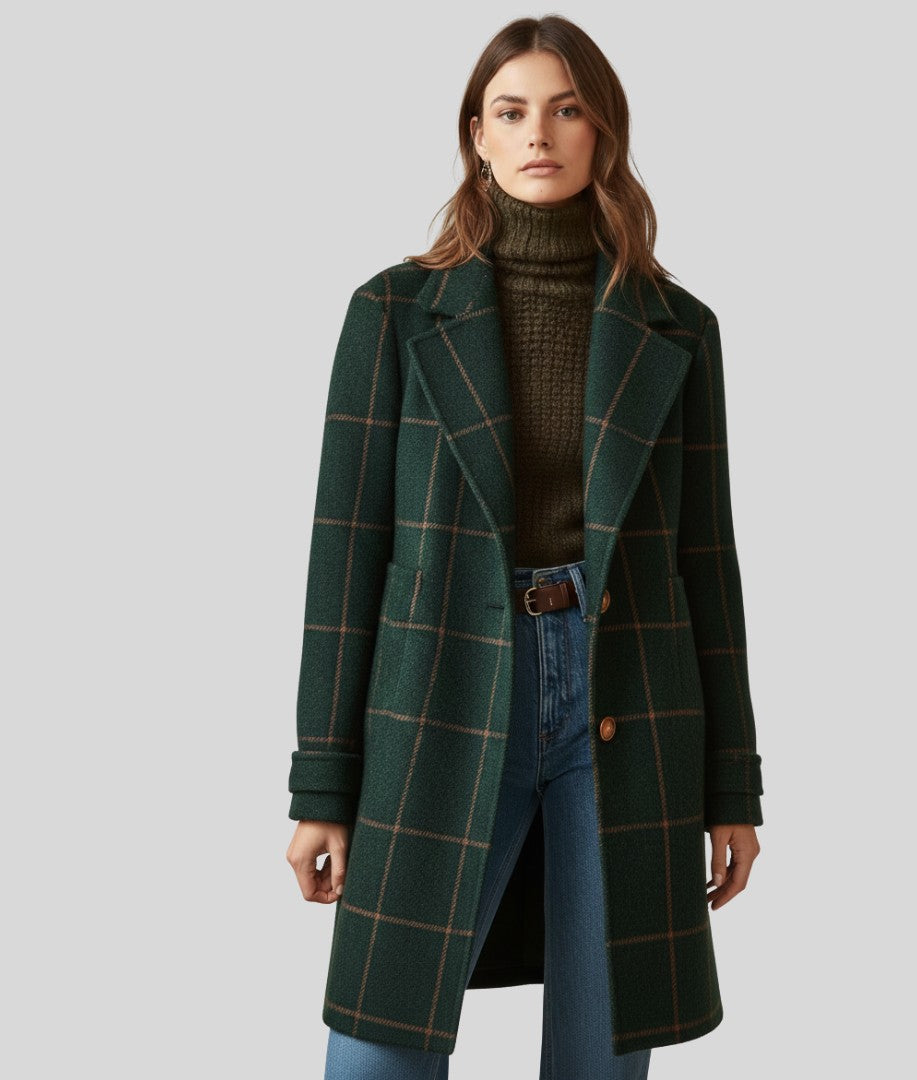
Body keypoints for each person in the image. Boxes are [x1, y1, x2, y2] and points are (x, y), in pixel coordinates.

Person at [285, 15, 764, 1080]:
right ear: (478, 134)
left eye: (566, 109)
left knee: (603, 1050)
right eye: (511, 111)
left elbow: (706, 563)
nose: (538, 134)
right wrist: (322, 785)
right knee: (376, 1047)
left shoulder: (678, 326)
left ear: (603, 132)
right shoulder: (395, 313)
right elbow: (345, 556)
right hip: (443, 687)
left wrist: (734, 786)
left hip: (628, 693)